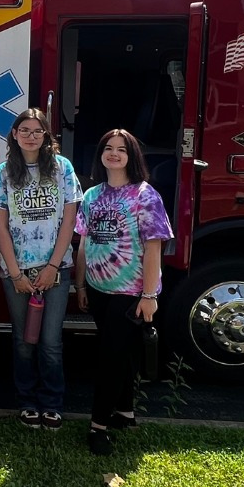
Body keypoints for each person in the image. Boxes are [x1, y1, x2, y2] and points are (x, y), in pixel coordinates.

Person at [75, 129, 173, 455]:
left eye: (122, 149)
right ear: (100, 154)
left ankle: (98, 426)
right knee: (123, 353)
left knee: (110, 358)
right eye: (108, 148)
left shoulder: (146, 196)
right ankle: (125, 412)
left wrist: (149, 295)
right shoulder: (92, 196)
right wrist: (81, 284)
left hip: (130, 293)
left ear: (132, 156)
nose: (114, 154)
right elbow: (84, 243)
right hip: (98, 289)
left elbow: (154, 248)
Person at [0, 109, 82, 430]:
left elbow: (69, 219)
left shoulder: (62, 168)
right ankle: (27, 401)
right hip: (16, 271)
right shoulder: (2, 172)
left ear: (46, 136)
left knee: (51, 341)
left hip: (55, 269)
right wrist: (15, 274)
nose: (31, 136)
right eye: (24, 130)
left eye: (37, 131)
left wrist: (53, 266)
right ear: (14, 135)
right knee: (23, 340)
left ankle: (52, 403)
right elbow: (0, 227)